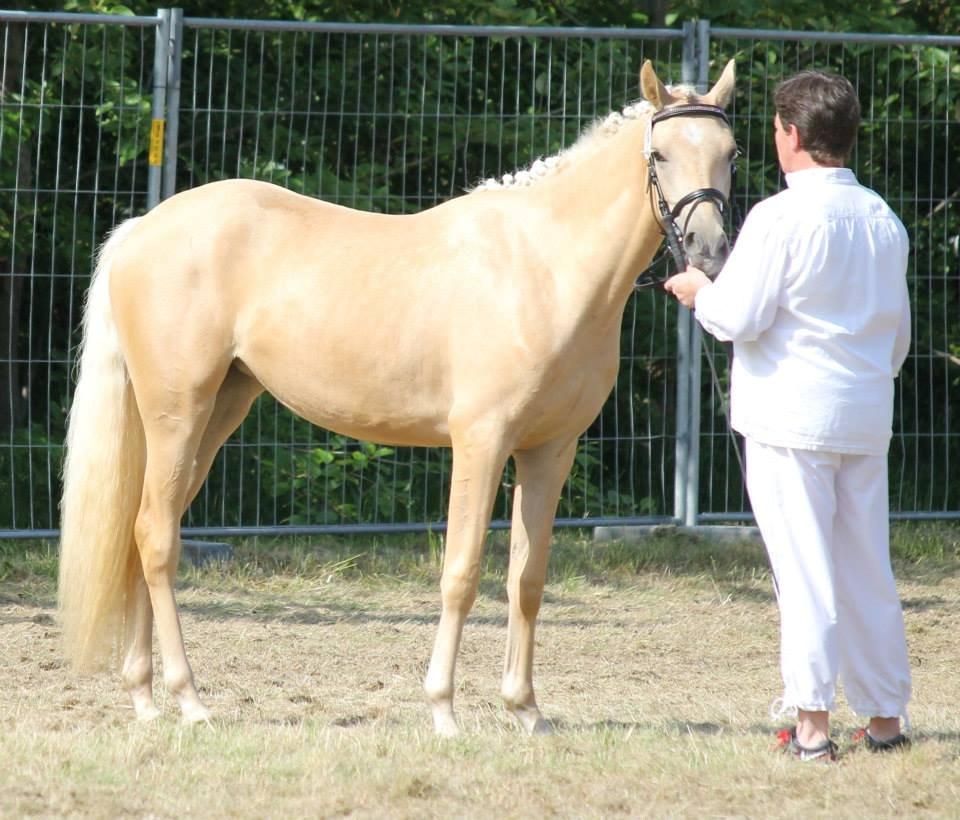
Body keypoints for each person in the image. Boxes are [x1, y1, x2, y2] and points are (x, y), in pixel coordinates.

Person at [664, 70, 912, 761]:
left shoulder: (776, 218)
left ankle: (811, 728)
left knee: (804, 573)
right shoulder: (883, 220)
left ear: (793, 136)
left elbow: (736, 316)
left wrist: (697, 289)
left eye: (775, 130)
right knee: (867, 569)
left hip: (789, 421)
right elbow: (898, 338)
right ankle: (886, 719)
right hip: (864, 417)